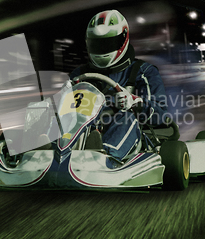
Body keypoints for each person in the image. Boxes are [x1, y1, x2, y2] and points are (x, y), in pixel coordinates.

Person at [69, 9, 169, 163]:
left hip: (130, 135)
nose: (103, 49)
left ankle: (104, 158)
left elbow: (161, 115)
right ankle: (44, 154)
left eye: (108, 43)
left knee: (126, 117)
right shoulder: (79, 74)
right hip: (86, 129)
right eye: (97, 44)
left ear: (123, 39)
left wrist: (135, 103)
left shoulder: (143, 72)